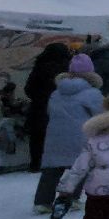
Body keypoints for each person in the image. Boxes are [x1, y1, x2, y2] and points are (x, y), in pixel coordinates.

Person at [36, 53, 104, 210]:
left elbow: (49, 111)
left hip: (55, 136)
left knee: (52, 169)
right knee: (80, 167)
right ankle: (71, 199)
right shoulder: (92, 93)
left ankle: (42, 202)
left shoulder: (56, 92)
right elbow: (100, 115)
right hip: (80, 135)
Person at [23, 42, 71, 178]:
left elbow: (29, 89)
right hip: (61, 109)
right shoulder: (68, 69)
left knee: (37, 136)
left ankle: (35, 164)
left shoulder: (40, 66)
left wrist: (40, 97)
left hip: (39, 108)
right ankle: (55, 164)